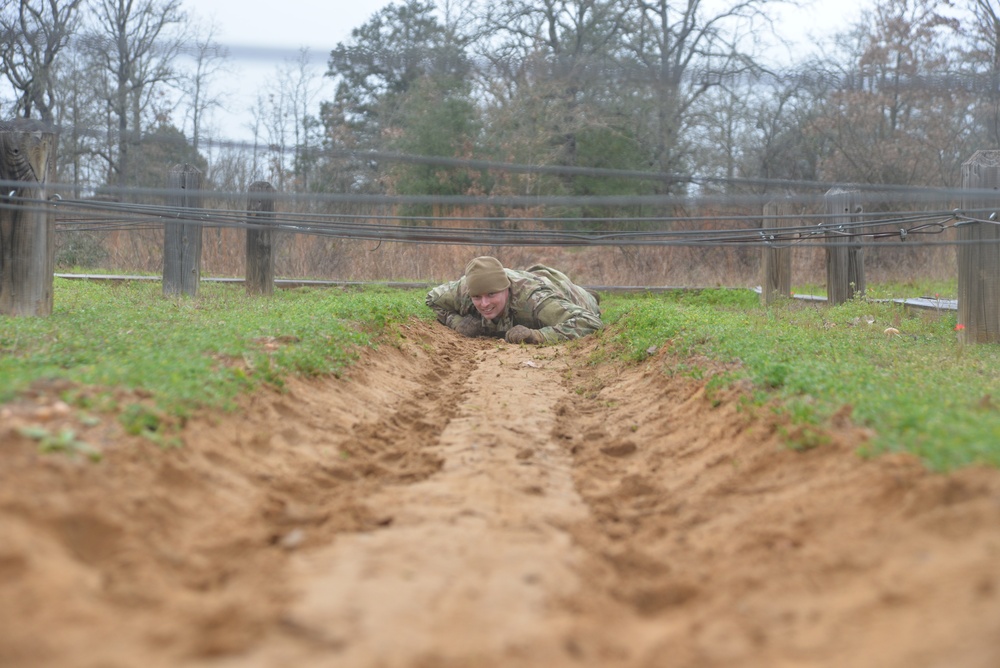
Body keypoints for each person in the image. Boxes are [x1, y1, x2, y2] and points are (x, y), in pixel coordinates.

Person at [425, 256, 603, 344]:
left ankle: (588, 294)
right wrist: (455, 322)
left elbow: (590, 322)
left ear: (505, 289)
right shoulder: (463, 289)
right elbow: (431, 300)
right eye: (477, 297)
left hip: (561, 289)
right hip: (527, 277)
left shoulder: (534, 299)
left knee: (581, 298)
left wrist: (537, 335)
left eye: (491, 294)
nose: (484, 304)